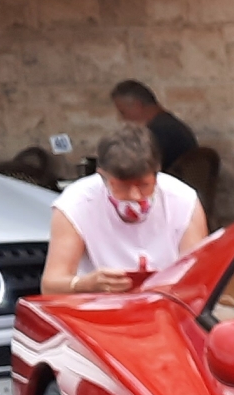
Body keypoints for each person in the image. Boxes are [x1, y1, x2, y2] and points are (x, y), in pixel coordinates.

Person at [41, 124, 210, 294]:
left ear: (157, 173)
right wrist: (83, 284)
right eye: (122, 186)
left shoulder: (183, 199)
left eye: (144, 185)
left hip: (168, 304)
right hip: (100, 307)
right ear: (102, 176)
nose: (135, 196)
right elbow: (50, 286)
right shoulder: (75, 203)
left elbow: (199, 277)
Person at [109, 79, 198, 173]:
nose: (122, 118)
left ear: (137, 106)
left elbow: (141, 170)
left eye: (123, 112)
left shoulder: (159, 131)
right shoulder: (170, 125)